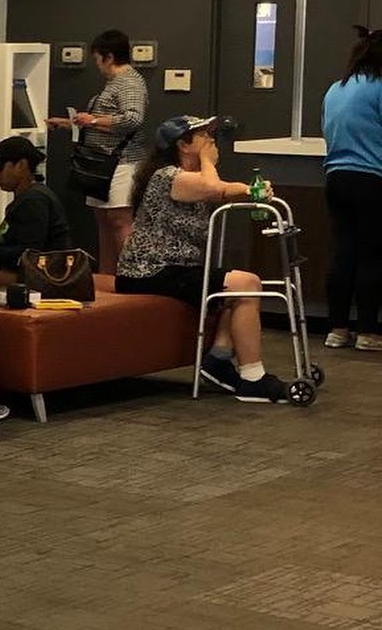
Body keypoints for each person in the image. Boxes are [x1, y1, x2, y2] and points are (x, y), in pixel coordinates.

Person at [118, 113, 284, 404]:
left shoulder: (191, 178)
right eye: (204, 136)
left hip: (176, 268)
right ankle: (253, 378)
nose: (211, 141)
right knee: (247, 283)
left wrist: (252, 191)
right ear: (183, 145)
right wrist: (209, 161)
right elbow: (214, 189)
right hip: (149, 270)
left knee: (236, 288)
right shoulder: (168, 177)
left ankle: (218, 358)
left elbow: (226, 189)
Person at [48, 29, 148, 276]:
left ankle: (131, 275)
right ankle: (107, 276)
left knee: (119, 219)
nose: (97, 65)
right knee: (104, 221)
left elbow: (133, 119)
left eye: (97, 59)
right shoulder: (114, 83)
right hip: (101, 163)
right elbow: (106, 120)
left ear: (108, 57)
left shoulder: (129, 82)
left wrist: (93, 120)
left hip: (121, 162)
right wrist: (69, 123)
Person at [322, 26, 382, 351]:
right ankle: (368, 332)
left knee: (343, 253)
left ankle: (337, 329)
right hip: (372, 178)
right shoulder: (379, 88)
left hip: (336, 178)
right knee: (372, 256)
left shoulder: (336, 89)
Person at [0, 137, 73, 283]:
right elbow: (14, 245)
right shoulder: (30, 197)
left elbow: (25, 255)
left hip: (42, 278)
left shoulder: (34, 201)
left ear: (20, 165)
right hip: (34, 272)